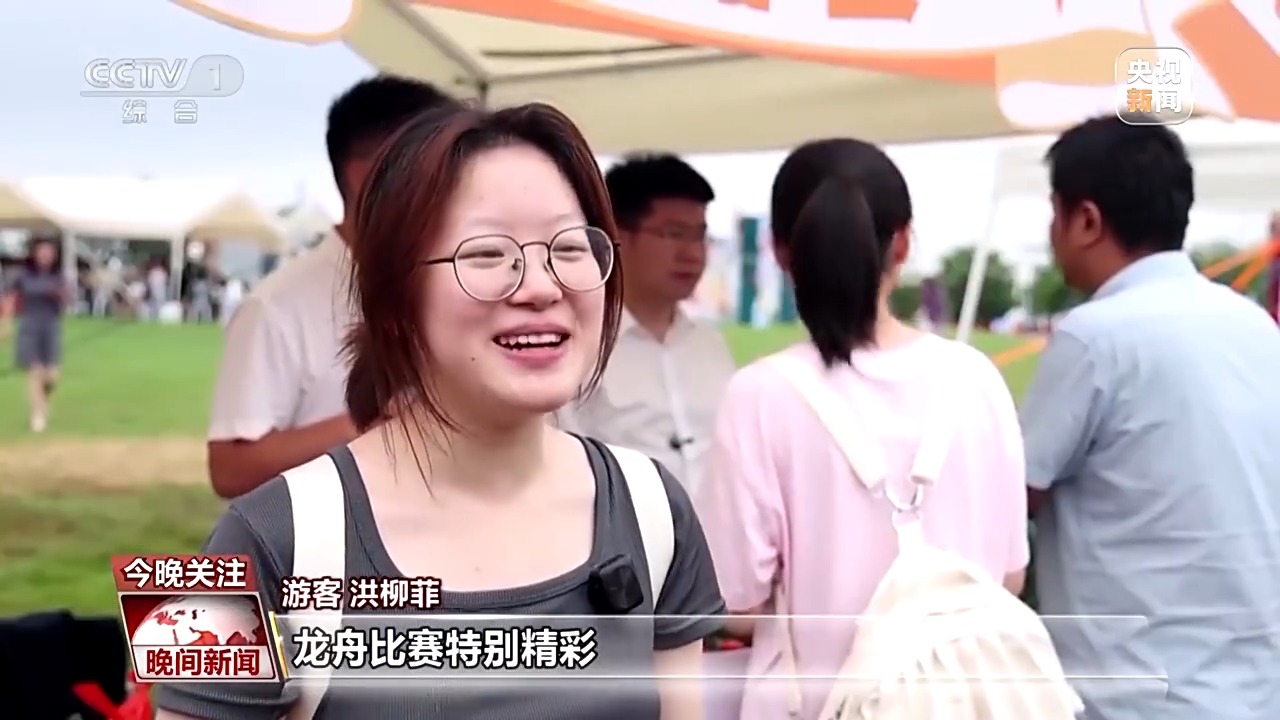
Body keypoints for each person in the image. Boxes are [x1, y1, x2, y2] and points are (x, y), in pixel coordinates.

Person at [153, 103, 725, 720]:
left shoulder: (653, 509)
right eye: (486, 253)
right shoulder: (258, 538)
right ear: (397, 297)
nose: (541, 286)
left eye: (569, 246)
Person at [694, 139, 1029, 719]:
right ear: (903, 242)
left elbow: (732, 600)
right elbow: (1010, 576)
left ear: (780, 250)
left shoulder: (762, 395)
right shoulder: (976, 379)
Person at [1020, 115, 1280, 720]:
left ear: (1085, 221)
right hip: (1255, 690)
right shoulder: (1257, 329)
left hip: (1132, 698)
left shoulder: (1095, 337)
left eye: (1054, 213)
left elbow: (1011, 499)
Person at [205, 75, 459, 498]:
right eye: (436, 164)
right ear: (366, 176)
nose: (454, 182)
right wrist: (372, 423)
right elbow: (231, 470)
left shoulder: (455, 284)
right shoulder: (275, 307)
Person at [556, 154, 735, 491]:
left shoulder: (711, 346)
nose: (692, 254)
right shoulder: (580, 347)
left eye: (699, 236)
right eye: (674, 234)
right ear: (617, 236)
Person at [1, 237, 69, 433]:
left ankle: (43, 401)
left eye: (50, 252)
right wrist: (6, 325)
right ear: (35, 253)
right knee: (35, 372)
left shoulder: (58, 276)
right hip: (29, 325)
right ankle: (37, 414)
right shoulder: (22, 275)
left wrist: (61, 295)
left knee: (52, 376)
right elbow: (10, 300)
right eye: (42, 251)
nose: (46, 255)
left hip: (51, 326)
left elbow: (66, 302)